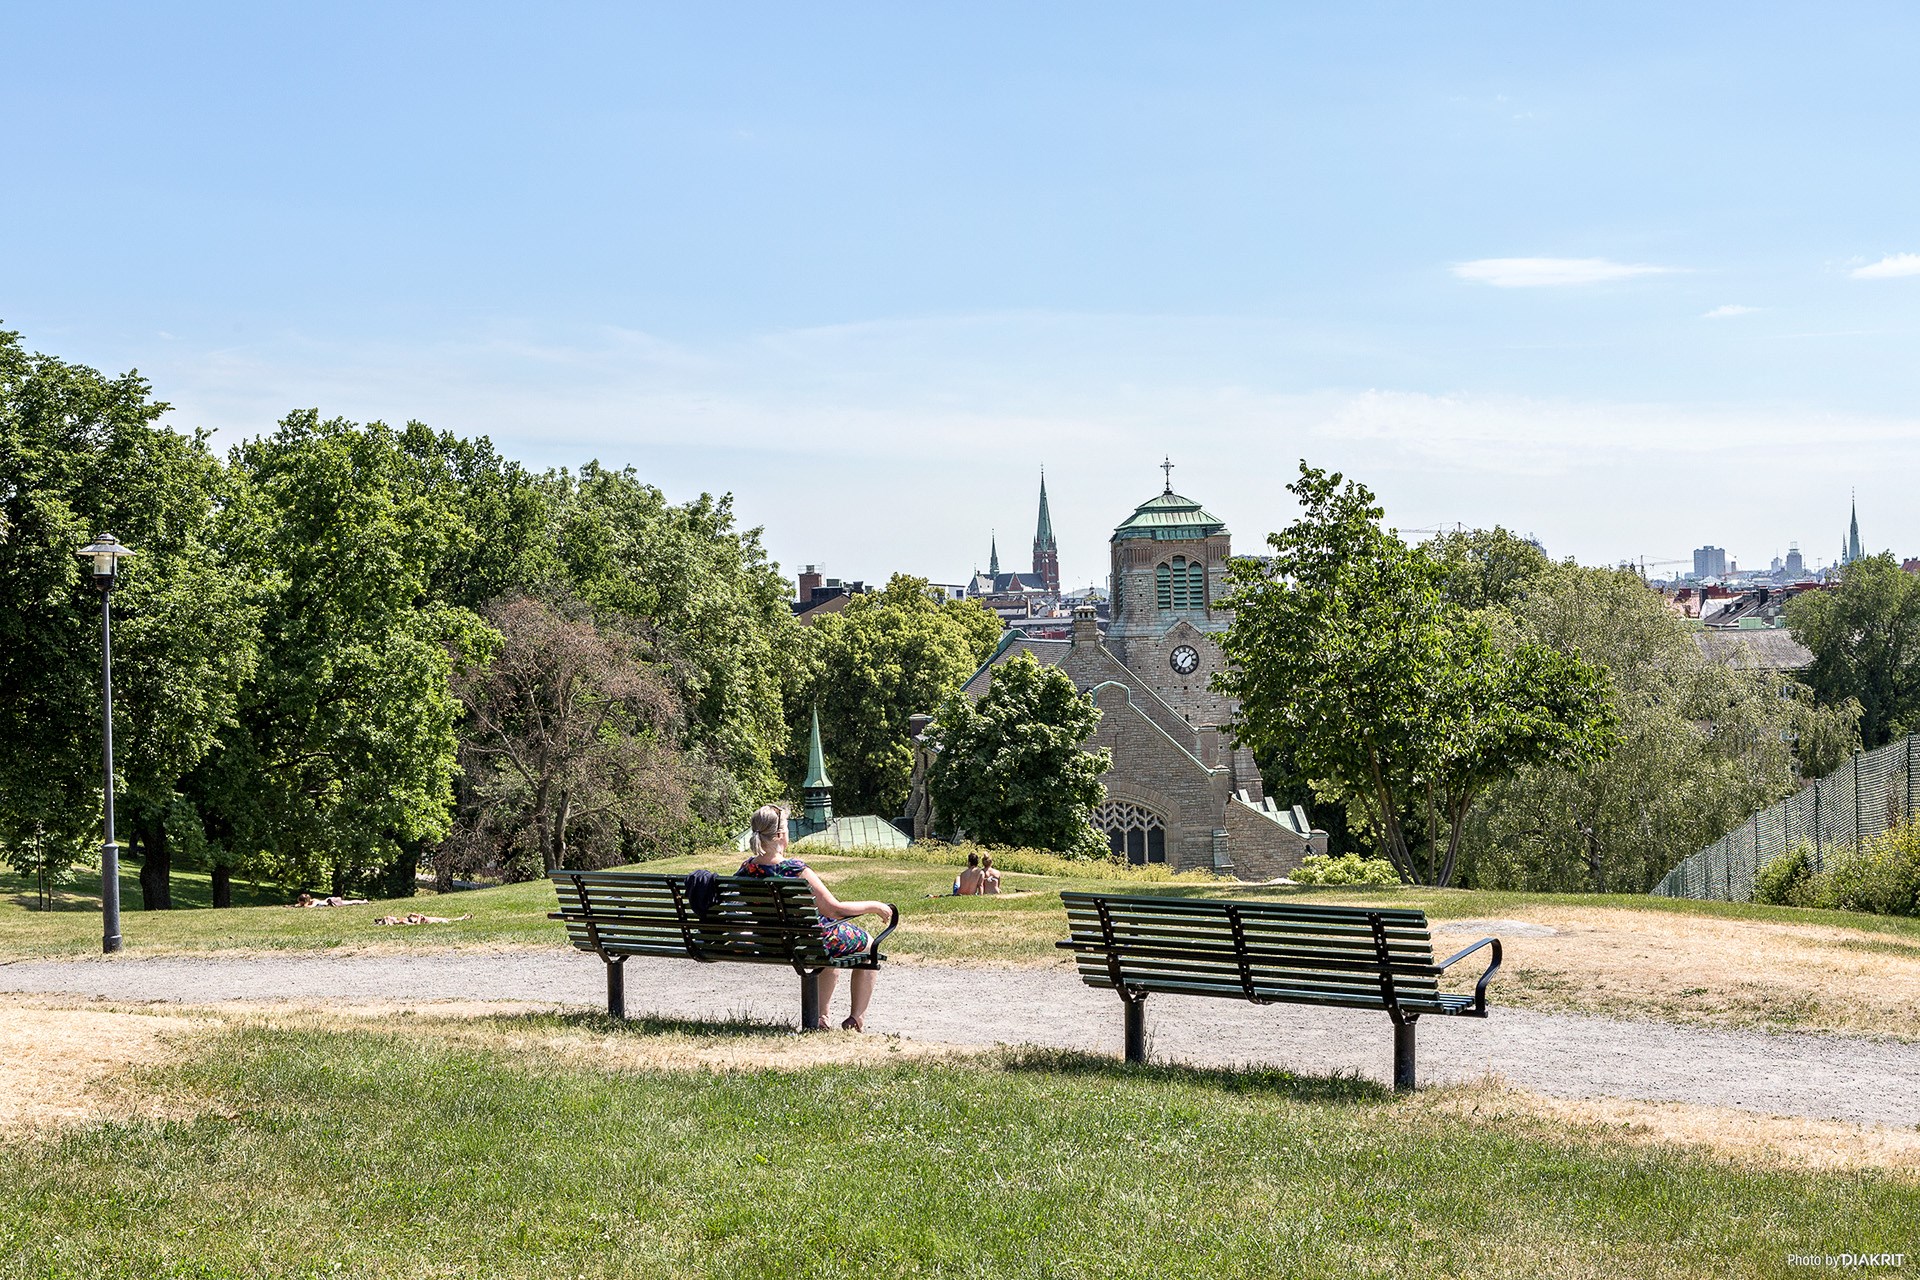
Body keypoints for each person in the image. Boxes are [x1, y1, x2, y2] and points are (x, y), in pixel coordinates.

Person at [738, 804, 895, 1031]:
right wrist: (875, 906)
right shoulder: (795, 869)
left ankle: (822, 1018)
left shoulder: (747, 869)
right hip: (808, 940)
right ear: (781, 835)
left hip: (770, 941)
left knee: (826, 944)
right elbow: (834, 909)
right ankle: (856, 1018)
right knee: (868, 944)